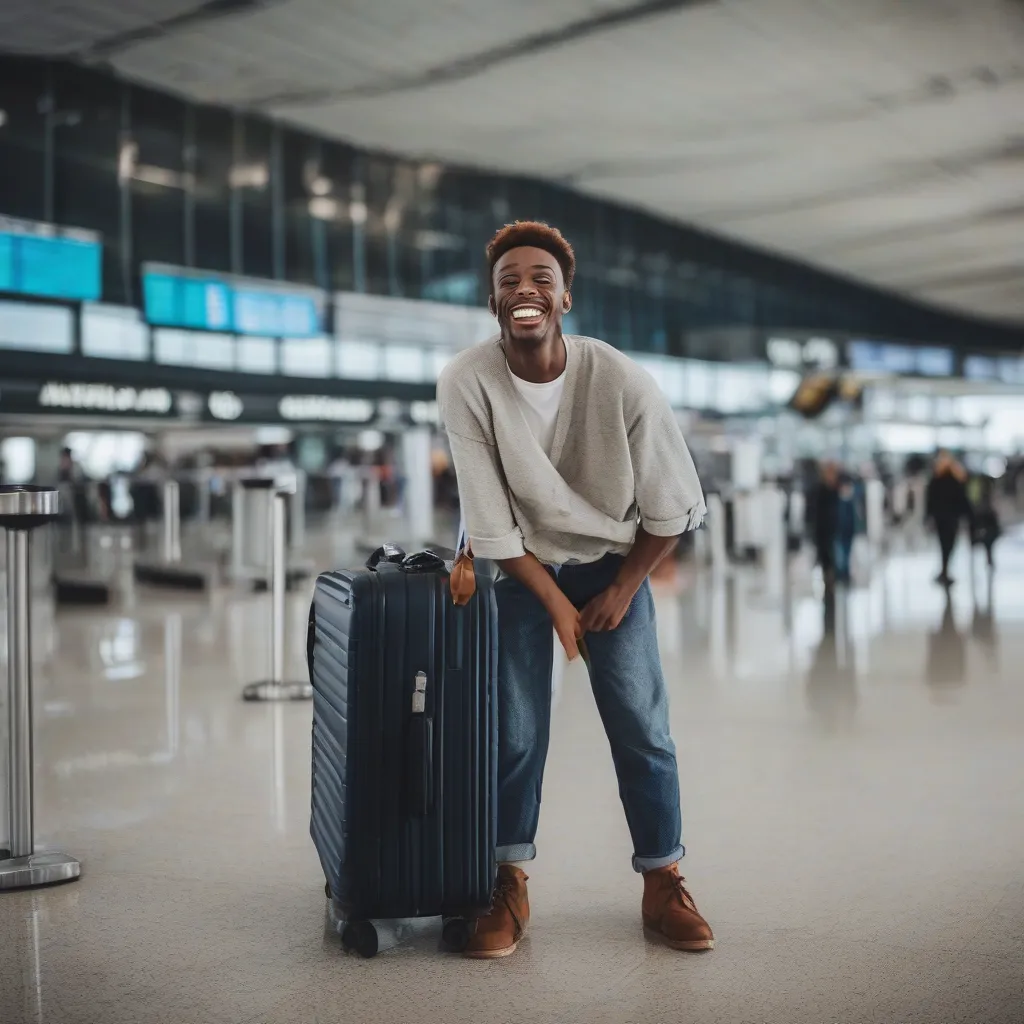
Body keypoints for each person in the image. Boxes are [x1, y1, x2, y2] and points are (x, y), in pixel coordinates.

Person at [437, 221, 713, 959]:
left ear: (564, 296)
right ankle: (508, 882)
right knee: (516, 731)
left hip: (611, 565)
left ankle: (663, 881)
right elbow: (490, 524)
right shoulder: (467, 381)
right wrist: (555, 605)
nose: (523, 289)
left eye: (538, 278)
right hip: (523, 570)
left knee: (642, 728)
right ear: (493, 302)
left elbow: (672, 505)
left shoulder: (619, 378)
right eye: (507, 281)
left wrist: (621, 591)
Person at [925, 451, 971, 586]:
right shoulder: (948, 480)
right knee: (948, 544)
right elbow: (962, 500)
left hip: (944, 518)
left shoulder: (939, 481)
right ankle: (945, 569)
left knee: (946, 544)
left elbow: (931, 501)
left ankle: (945, 569)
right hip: (949, 518)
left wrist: (929, 516)